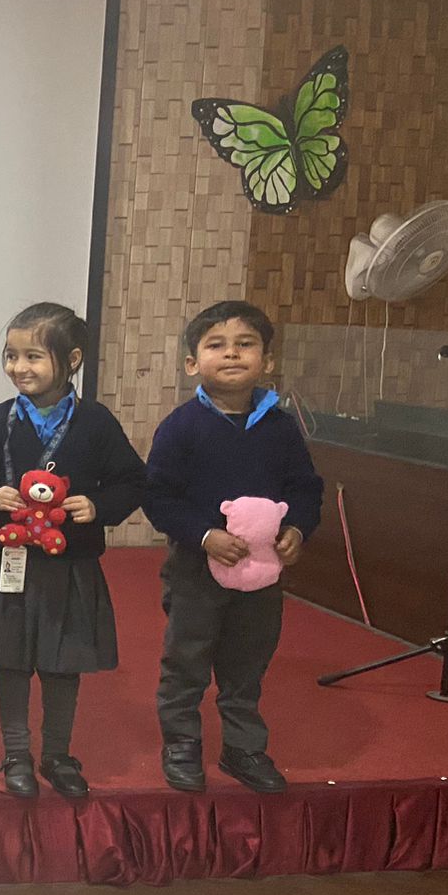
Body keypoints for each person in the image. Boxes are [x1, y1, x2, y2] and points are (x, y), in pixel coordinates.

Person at [0, 302, 146, 798]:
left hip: (71, 565)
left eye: (33, 356)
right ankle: (17, 754)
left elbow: (131, 481)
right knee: (10, 661)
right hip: (11, 564)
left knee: (63, 664)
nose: (18, 367)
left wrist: (97, 506)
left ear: (72, 360)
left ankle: (58, 755)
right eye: (10, 355)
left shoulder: (95, 421)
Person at [144, 300, 322, 794]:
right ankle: (181, 742)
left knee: (248, 662)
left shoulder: (281, 428)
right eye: (216, 345)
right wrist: (204, 535)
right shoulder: (181, 427)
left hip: (263, 574)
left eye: (245, 345)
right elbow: (158, 496)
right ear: (192, 363)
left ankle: (243, 747)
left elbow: (305, 488)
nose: (231, 354)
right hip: (195, 569)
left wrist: (298, 529)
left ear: (267, 360)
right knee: (187, 659)